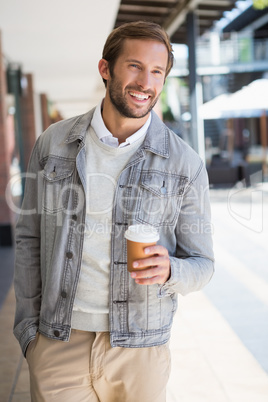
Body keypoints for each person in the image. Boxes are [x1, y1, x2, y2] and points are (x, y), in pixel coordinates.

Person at [13, 21, 214, 402]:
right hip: (58, 341)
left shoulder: (185, 164)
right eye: (134, 66)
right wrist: (29, 331)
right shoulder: (53, 143)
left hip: (141, 351)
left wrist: (171, 269)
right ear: (106, 69)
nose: (145, 82)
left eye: (157, 71)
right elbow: (28, 237)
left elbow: (203, 263)